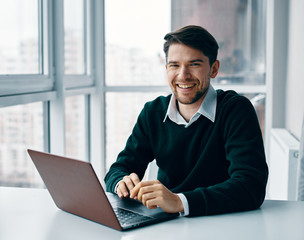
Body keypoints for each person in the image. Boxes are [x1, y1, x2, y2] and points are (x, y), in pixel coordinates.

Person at [104, 25, 268, 217]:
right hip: (166, 224)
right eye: (174, 65)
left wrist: (179, 201)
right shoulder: (153, 113)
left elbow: (250, 186)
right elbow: (119, 169)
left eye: (194, 64)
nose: (183, 75)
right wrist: (120, 182)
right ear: (166, 69)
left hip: (223, 222)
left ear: (214, 69)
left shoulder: (236, 110)